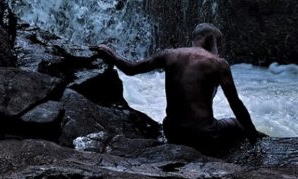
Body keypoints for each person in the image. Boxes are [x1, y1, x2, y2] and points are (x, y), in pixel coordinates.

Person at [91, 23, 262, 155]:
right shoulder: (218, 63)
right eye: (219, 44)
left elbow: (131, 68)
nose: (219, 49)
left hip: (173, 131)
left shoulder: (169, 54)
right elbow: (236, 104)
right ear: (211, 41)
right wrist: (255, 141)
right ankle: (263, 141)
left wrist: (111, 53)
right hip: (204, 134)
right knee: (238, 124)